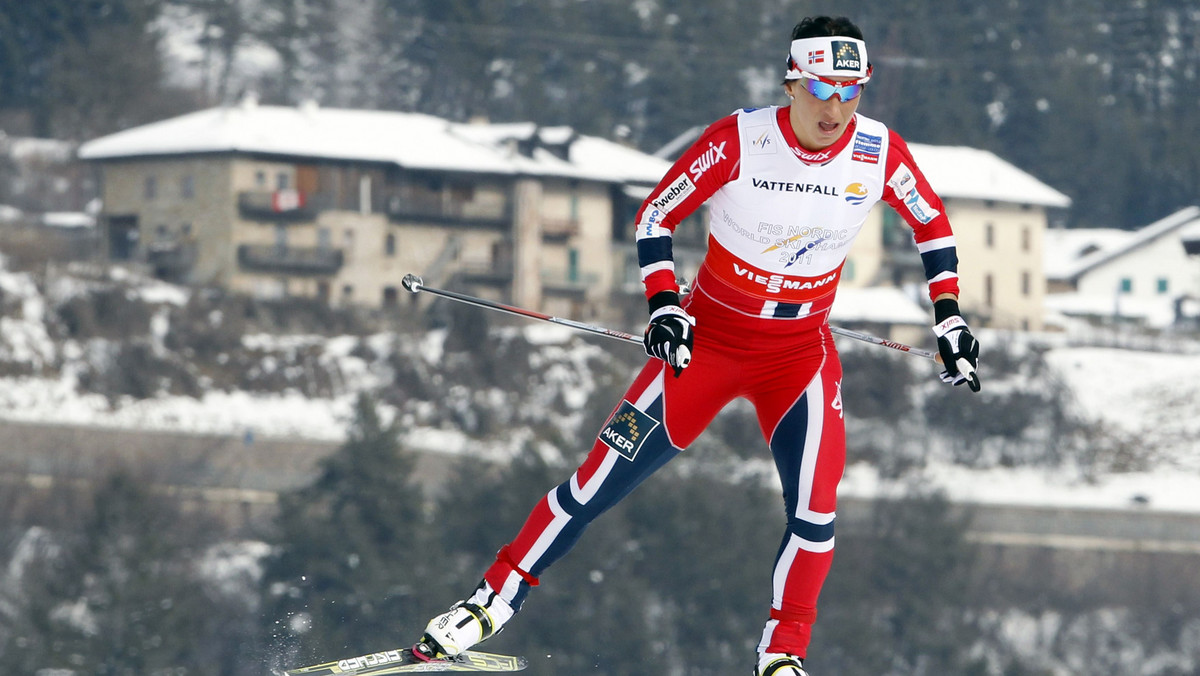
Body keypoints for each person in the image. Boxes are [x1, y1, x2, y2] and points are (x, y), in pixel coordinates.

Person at [412, 15, 981, 676]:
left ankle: (783, 655)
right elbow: (657, 214)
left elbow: (932, 226)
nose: (836, 106)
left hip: (797, 356)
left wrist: (948, 318)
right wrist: (663, 306)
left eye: (852, 90)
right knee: (592, 486)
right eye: (823, 87)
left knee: (817, 515)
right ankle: (488, 603)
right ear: (793, 81)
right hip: (705, 344)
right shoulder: (740, 139)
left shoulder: (878, 151)